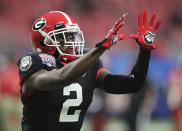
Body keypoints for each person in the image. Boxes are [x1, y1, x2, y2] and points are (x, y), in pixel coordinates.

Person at [17, 10, 162, 131]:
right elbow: (62, 77)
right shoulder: (34, 63)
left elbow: (133, 84)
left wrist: (145, 52)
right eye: (65, 37)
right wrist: (101, 48)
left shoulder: (88, 63)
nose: (72, 41)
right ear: (45, 42)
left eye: (72, 36)